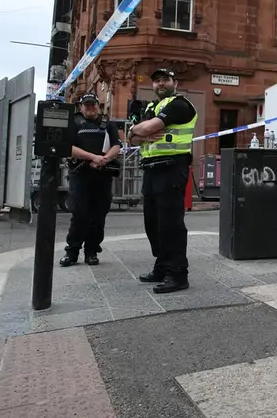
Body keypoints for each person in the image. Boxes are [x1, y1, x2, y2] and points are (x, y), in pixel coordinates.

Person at [127, 68, 197, 294]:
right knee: (153, 223)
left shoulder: (179, 104)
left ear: (174, 82)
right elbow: (133, 139)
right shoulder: (151, 108)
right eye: (156, 81)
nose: (160, 84)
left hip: (171, 168)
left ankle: (177, 274)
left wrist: (139, 131)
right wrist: (136, 133)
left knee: (171, 224)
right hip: (151, 169)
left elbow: (143, 130)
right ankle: (161, 266)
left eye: (165, 80)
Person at [59, 93, 122, 267]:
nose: (89, 108)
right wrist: (93, 157)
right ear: (80, 107)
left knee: (98, 215)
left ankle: (92, 251)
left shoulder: (107, 124)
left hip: (102, 174)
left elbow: (116, 146)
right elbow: (69, 148)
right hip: (80, 175)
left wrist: (104, 160)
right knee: (79, 214)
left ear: (98, 105)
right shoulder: (75, 124)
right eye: (86, 105)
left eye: (92, 104)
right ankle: (72, 252)